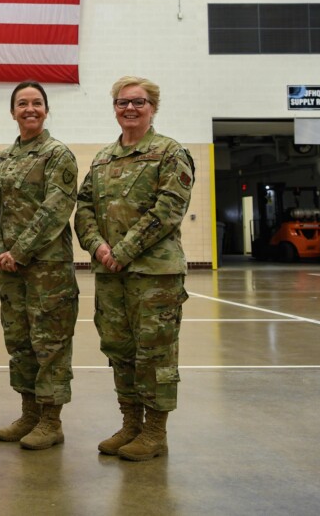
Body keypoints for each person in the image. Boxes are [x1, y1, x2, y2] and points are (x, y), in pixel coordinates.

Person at [74, 76, 194, 462]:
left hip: (154, 276)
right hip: (111, 274)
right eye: (122, 102)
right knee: (120, 350)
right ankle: (131, 424)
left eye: (138, 102)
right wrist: (98, 246)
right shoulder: (103, 159)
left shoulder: (170, 153)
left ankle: (155, 432)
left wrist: (122, 250)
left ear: (152, 107)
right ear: (114, 108)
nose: (130, 108)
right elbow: (85, 209)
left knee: (155, 354)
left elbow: (168, 210)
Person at [0, 81, 79, 450]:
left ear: (46, 109)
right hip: (10, 270)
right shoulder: (5, 159)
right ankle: (29, 414)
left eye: (37, 103)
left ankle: (51, 420)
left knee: (50, 343)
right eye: (22, 103)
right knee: (20, 342)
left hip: (48, 269)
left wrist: (19, 251)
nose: (30, 109)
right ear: (12, 112)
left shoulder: (58, 155)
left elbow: (55, 209)